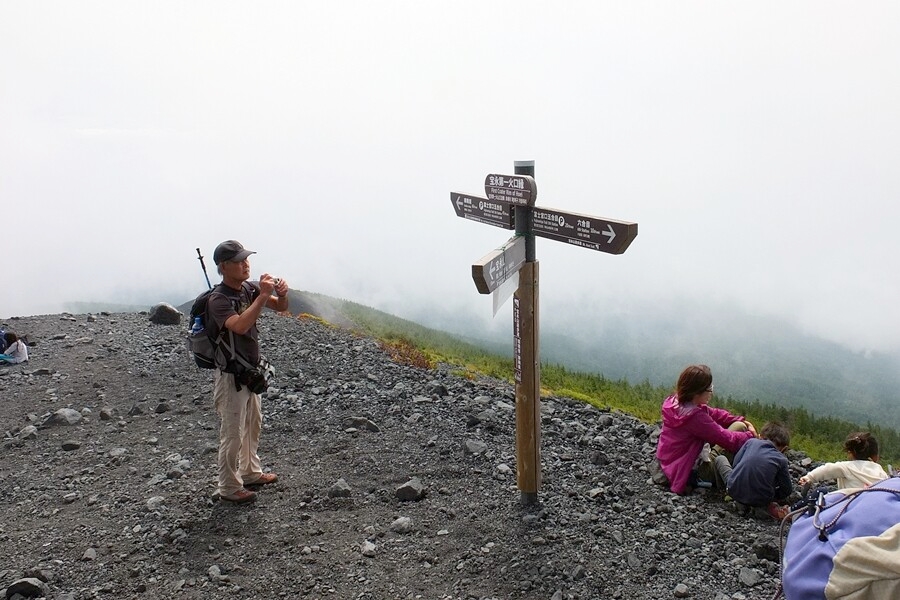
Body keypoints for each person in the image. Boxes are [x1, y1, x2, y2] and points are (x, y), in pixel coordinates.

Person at [207, 239, 289, 504]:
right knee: (232, 433)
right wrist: (263, 295)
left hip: (250, 372)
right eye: (238, 261)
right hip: (231, 375)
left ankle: (250, 471)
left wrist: (281, 294)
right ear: (223, 266)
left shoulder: (247, 289)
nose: (245, 264)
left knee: (253, 424)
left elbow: (281, 307)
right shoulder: (218, 300)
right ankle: (229, 487)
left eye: (246, 259)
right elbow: (240, 326)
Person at [655, 364, 756, 495]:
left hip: (671, 463)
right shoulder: (695, 418)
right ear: (697, 392)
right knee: (740, 429)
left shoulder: (677, 402)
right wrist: (751, 435)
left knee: (739, 425)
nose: (711, 392)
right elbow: (728, 440)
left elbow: (713, 413)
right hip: (690, 471)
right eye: (709, 389)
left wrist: (739, 419)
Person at [716, 421, 793, 520]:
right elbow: (787, 489)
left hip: (734, 489)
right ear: (784, 448)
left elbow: (736, 463)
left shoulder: (751, 442)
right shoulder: (781, 459)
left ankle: (724, 492)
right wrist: (773, 495)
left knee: (720, 459)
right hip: (762, 500)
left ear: (760, 436)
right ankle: (757, 506)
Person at [798, 431, 888, 491]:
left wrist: (809, 478)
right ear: (875, 456)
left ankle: (794, 509)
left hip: (850, 503)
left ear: (850, 452)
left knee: (821, 491)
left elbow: (827, 469)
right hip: (876, 504)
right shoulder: (879, 470)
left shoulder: (846, 467)